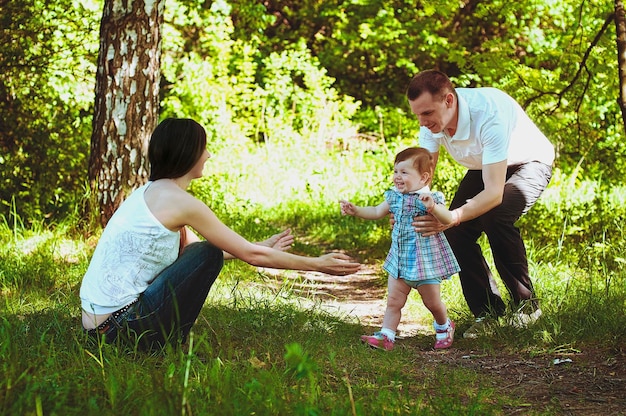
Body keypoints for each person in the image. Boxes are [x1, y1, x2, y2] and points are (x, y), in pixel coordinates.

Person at [80, 118, 361, 351]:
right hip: (119, 329)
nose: (208, 155)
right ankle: (157, 346)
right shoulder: (180, 202)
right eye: (204, 148)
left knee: (206, 251)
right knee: (208, 251)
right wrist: (317, 265)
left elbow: (190, 253)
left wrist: (257, 245)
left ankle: (153, 342)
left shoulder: (152, 192)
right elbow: (229, 255)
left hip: (102, 328)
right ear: (188, 153)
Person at [405, 70, 555, 338]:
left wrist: (453, 214)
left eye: (427, 113)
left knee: (494, 216)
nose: (422, 121)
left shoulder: (488, 115)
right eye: (417, 114)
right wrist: (409, 211)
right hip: (484, 165)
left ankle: (527, 305)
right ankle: (488, 312)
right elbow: (422, 179)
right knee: (453, 230)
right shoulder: (430, 125)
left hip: (529, 161)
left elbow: (494, 193)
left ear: (449, 100)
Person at [340, 147, 460, 350]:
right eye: (396, 171)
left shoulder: (430, 198)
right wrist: (357, 211)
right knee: (394, 301)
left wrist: (433, 207)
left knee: (432, 303)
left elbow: (448, 218)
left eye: (404, 172)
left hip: (425, 264)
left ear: (423, 178)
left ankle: (444, 326)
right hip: (400, 261)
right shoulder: (394, 197)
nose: (397, 177)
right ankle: (387, 336)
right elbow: (377, 211)